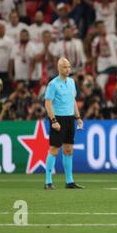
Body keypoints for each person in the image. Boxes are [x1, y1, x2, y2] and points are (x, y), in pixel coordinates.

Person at [44, 57, 84, 190]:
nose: (68, 69)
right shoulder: (53, 84)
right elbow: (48, 103)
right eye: (65, 67)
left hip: (69, 119)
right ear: (59, 68)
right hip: (58, 119)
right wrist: (53, 120)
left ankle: (69, 181)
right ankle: (48, 182)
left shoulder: (72, 82)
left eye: (69, 66)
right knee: (54, 149)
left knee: (68, 149)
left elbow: (73, 100)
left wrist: (78, 117)